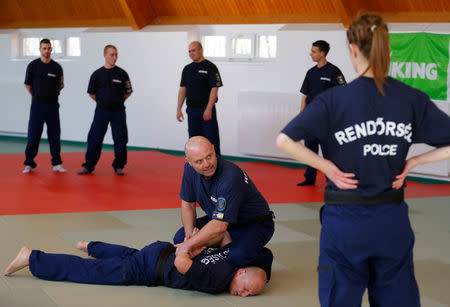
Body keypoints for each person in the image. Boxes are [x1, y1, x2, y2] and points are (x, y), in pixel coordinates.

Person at [277, 13, 450, 307]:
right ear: (386, 49)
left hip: (345, 223)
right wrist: (414, 163)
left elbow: (284, 140)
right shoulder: (411, 98)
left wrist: (326, 167)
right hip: (391, 221)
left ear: (353, 50)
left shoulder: (334, 100)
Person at [4, 232, 272, 297]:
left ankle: (92, 246)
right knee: (94, 272)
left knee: (128, 255)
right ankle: (33, 258)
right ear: (241, 272)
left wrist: (196, 242)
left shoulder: (232, 256)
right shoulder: (217, 284)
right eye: (247, 288)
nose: (244, 295)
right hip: (152, 268)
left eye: (250, 294)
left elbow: (225, 236)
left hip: (159, 249)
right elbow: (182, 264)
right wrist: (190, 250)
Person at [173, 136, 275, 267]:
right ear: (189, 161)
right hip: (221, 221)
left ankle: (262, 255)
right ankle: (224, 245)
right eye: (199, 161)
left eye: (209, 156)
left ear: (213, 150)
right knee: (180, 238)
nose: (206, 164)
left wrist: (189, 245)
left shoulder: (230, 176)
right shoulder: (189, 169)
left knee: (238, 256)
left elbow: (219, 226)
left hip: (254, 224)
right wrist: (189, 236)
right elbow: (188, 205)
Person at [78, 45, 133, 176]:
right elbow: (91, 93)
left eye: (116, 55)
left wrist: (117, 101)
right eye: (112, 54)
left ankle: (119, 166)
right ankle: (89, 166)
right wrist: (103, 102)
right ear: (105, 55)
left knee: (120, 139)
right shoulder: (97, 75)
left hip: (118, 112)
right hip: (101, 111)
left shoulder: (122, 73)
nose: (114, 57)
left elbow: (128, 92)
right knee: (94, 139)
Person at [297, 40, 346, 186]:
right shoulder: (311, 73)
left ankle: (331, 181)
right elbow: (305, 95)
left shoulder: (334, 71)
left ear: (322, 53)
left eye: (314, 51)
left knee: (328, 153)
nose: (311, 54)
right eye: (311, 51)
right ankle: (309, 178)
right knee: (310, 152)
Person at [23, 38, 66, 174]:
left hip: (52, 106)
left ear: (51, 49)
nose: (46, 51)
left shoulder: (57, 67)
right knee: (33, 135)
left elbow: (60, 86)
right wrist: (37, 96)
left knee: (54, 135)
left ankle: (57, 164)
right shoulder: (32, 66)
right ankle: (29, 163)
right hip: (37, 105)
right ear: (40, 49)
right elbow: (27, 84)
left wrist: (50, 95)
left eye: (48, 48)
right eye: (44, 48)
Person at [177, 41, 223, 156]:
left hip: (206, 110)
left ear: (200, 50)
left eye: (193, 50)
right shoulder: (187, 69)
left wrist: (208, 109)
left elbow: (214, 89)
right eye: (189, 51)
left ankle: (217, 171)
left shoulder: (210, 67)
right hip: (192, 111)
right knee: (194, 142)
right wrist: (179, 109)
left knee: (211, 142)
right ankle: (197, 170)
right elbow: (183, 90)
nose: (191, 53)